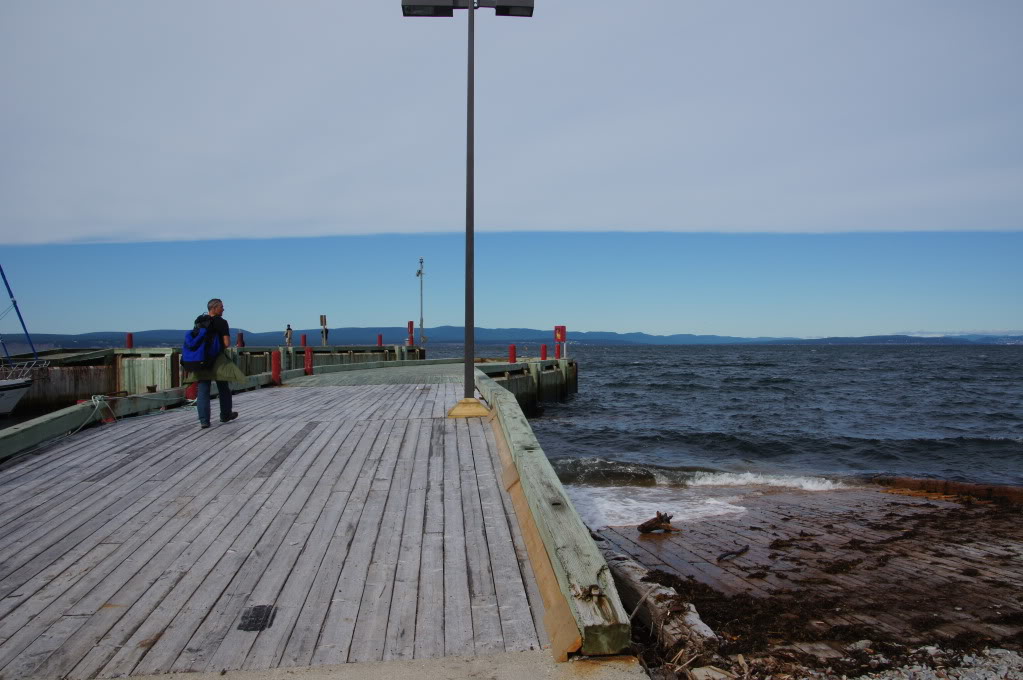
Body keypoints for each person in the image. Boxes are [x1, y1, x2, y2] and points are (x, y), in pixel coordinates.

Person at [190, 298, 246, 429]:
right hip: (217, 358)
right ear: (214, 308)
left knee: (203, 389)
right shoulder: (221, 322)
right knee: (223, 387)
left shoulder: (199, 321)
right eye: (221, 307)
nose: (223, 309)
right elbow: (226, 343)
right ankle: (225, 415)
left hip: (201, 358)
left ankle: (204, 420)